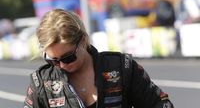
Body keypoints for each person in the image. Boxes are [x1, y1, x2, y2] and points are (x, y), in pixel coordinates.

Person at [24, 9, 174, 108]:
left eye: (68, 57)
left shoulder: (122, 67)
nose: (62, 65)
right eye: (53, 60)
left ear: (82, 41)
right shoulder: (41, 82)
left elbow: (159, 103)